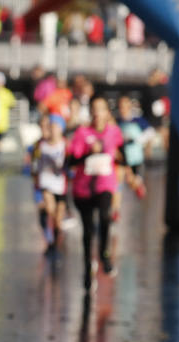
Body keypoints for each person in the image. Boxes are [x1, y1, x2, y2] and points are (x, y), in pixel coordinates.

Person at [68, 96, 123, 291]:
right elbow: (71, 161)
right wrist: (88, 153)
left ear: (107, 112)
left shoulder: (114, 132)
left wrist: (128, 164)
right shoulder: (82, 133)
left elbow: (122, 153)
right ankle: (87, 270)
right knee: (88, 231)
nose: (97, 113)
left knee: (106, 216)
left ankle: (103, 254)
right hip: (83, 188)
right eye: (94, 109)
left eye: (101, 109)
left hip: (104, 184)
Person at [33, 114, 68, 254]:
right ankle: (51, 241)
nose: (51, 130)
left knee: (58, 219)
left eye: (54, 126)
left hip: (61, 185)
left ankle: (57, 239)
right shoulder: (41, 145)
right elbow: (34, 165)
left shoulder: (65, 144)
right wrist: (35, 182)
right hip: (46, 183)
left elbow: (71, 163)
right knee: (50, 211)